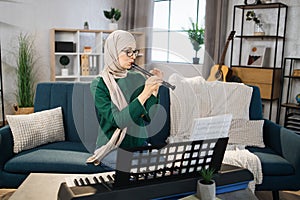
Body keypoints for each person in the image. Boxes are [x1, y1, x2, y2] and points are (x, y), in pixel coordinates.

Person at [86, 30, 163, 165]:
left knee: (164, 164)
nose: (133, 56)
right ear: (114, 52)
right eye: (128, 52)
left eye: (134, 51)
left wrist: (154, 91)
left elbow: (148, 117)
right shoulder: (99, 84)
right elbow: (119, 121)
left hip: (140, 145)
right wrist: (145, 93)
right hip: (113, 147)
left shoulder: (138, 77)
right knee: (132, 168)